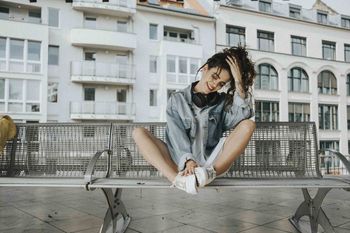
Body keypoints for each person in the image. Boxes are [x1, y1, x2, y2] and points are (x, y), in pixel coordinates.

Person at [132, 46, 256, 194]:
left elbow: (242, 117)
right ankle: (178, 181)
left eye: (221, 84)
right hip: (180, 163)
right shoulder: (178, 100)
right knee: (138, 132)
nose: (215, 85)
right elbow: (175, 135)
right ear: (205, 68)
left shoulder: (223, 102)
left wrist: (239, 83)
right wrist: (188, 160)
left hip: (212, 165)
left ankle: (208, 174)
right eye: (214, 77)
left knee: (249, 124)